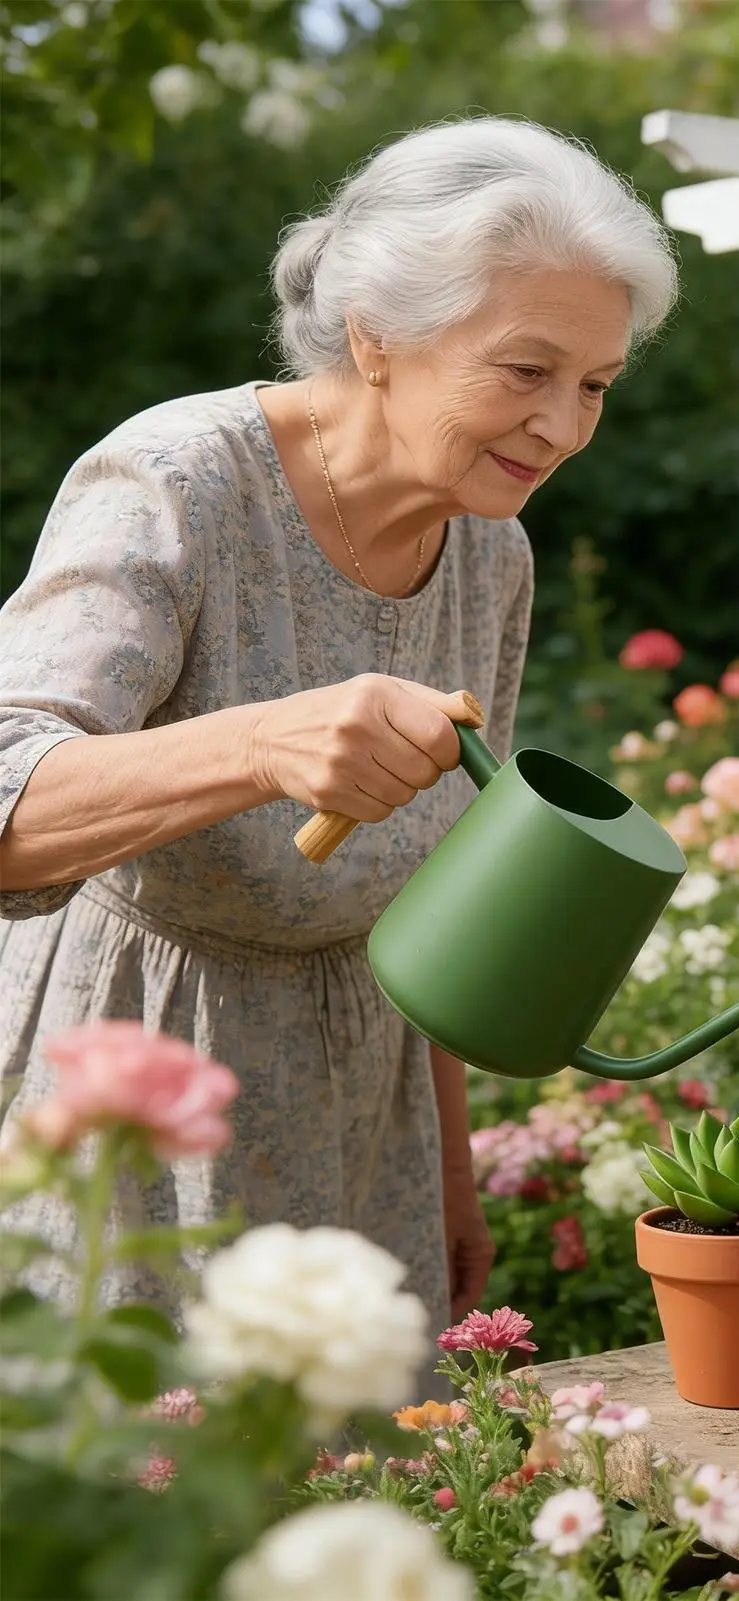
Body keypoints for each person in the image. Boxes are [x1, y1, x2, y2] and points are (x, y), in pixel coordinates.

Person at [0, 116, 678, 1339]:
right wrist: (263, 743)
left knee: (349, 1493)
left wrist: (451, 1175)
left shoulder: (493, 549)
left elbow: (452, 882)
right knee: (139, 1488)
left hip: (363, 1118)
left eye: (595, 385)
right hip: (142, 1089)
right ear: (374, 335)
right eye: (524, 372)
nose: (565, 428)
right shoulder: (176, 481)